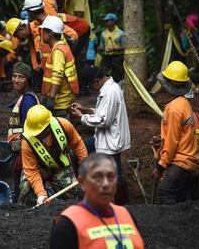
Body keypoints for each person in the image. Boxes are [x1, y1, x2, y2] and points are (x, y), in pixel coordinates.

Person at [50, 153, 144, 249]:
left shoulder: (127, 216)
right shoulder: (68, 224)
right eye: (97, 177)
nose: (106, 184)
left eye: (111, 177)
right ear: (82, 183)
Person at [71, 66, 131, 204]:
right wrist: (87, 110)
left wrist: (82, 117)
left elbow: (104, 120)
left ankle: (121, 204)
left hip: (111, 142)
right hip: (106, 139)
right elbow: (104, 111)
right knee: (85, 147)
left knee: (115, 175)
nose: (91, 89)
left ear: (96, 81)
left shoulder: (110, 93)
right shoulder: (109, 89)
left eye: (90, 86)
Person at [151, 61, 199, 204]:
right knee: (180, 199)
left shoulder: (173, 109)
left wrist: (161, 166)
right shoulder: (183, 102)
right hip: (190, 158)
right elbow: (179, 134)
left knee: (165, 190)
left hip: (181, 160)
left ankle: (174, 225)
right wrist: (162, 139)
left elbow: (172, 141)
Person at [19, 105, 87, 205]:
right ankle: (30, 209)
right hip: (38, 168)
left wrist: (85, 169)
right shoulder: (27, 142)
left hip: (60, 166)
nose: (36, 135)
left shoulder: (64, 125)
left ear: (48, 126)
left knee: (74, 196)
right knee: (26, 188)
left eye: (39, 132)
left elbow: (78, 145)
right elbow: (31, 170)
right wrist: (41, 193)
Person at [8, 62, 39, 199]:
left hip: (24, 149)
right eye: (14, 76)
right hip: (19, 148)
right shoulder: (23, 97)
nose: (16, 80)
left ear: (28, 80)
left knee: (22, 180)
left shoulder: (28, 101)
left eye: (21, 77)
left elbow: (30, 130)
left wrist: (22, 156)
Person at [39, 16, 79, 118]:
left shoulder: (58, 51)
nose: (41, 34)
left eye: (43, 31)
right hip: (64, 98)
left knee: (61, 128)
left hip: (61, 101)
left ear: (50, 33)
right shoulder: (63, 47)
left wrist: (51, 98)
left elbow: (58, 75)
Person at [99, 13, 125, 82]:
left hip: (117, 57)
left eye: (108, 21)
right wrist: (101, 49)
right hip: (106, 56)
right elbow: (101, 46)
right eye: (106, 21)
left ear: (113, 22)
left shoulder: (120, 33)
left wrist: (113, 49)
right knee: (102, 72)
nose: (106, 22)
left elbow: (125, 47)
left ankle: (119, 89)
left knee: (118, 75)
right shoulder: (103, 33)